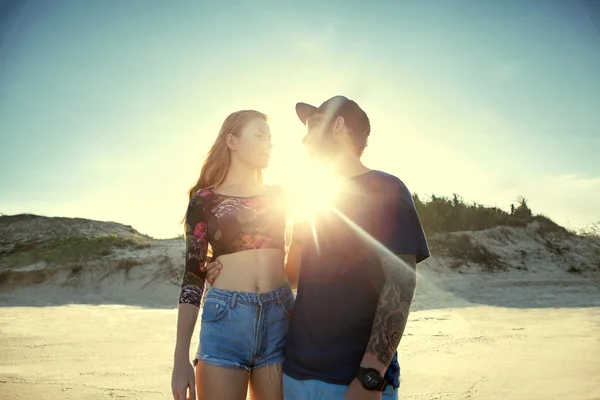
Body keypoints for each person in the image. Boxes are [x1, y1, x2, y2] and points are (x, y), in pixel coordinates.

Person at [204, 96, 430, 400]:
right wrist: (229, 267)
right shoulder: (312, 200)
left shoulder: (388, 190)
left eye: (313, 126)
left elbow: (401, 284)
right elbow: (292, 275)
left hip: (354, 381)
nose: (305, 137)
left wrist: (370, 377)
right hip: (294, 374)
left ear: (338, 126)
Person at [171, 110, 295, 400]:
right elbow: (192, 276)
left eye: (270, 137)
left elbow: (292, 265)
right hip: (226, 319)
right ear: (232, 141)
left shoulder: (280, 196)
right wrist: (180, 358)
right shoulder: (204, 200)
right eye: (259, 135)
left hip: (280, 319)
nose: (269, 143)